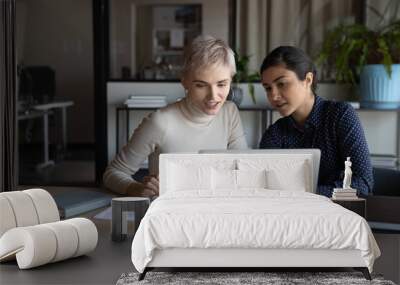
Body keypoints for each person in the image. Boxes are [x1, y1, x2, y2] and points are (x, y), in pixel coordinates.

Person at [104, 36, 248, 197]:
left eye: (222, 84)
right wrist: (137, 189)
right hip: (170, 213)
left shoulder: (229, 112)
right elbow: (113, 173)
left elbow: (242, 169)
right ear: (184, 81)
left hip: (214, 208)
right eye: (200, 85)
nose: (213, 96)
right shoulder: (160, 122)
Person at [259, 46, 373, 197]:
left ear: (307, 80)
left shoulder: (340, 116)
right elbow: (265, 190)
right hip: (293, 217)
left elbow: (363, 184)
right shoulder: (274, 135)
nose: (273, 96)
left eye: (281, 84)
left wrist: (306, 194)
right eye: (268, 88)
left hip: (341, 216)